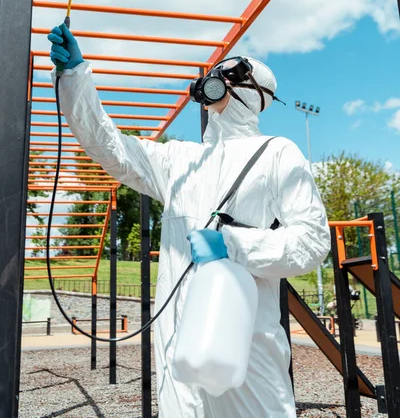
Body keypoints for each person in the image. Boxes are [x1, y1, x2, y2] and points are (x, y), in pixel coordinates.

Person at [48, 24, 331, 418]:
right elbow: (109, 145)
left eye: (225, 75)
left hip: (245, 340)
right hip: (179, 341)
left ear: (250, 92)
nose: (212, 80)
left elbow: (312, 242)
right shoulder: (178, 160)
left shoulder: (277, 153)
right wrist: (76, 77)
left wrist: (235, 245)